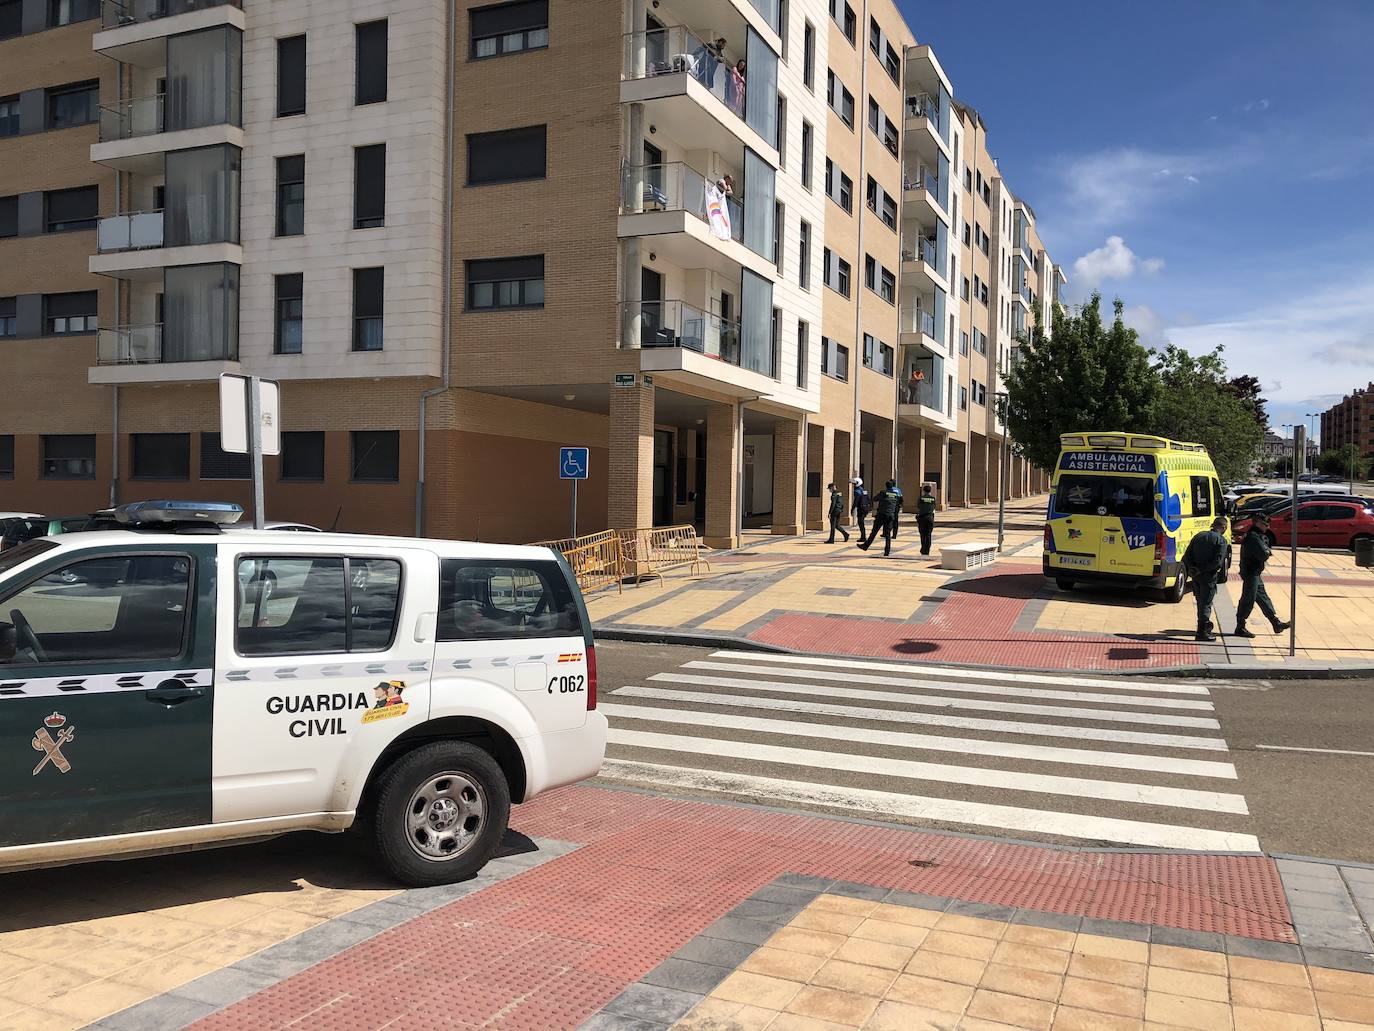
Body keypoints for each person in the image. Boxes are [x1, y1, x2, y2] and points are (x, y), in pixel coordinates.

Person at [1235, 511, 1292, 638]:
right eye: (1265, 525)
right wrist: (1267, 551)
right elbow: (1264, 553)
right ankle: (1240, 627)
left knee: (1262, 597)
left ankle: (1275, 623)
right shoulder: (1254, 536)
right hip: (1251, 572)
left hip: (1254, 572)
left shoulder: (1257, 535)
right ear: (1258, 523)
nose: (1268, 527)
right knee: (1248, 599)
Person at [1181, 516, 1231, 641]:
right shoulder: (1221, 541)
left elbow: (1186, 555)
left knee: (1200, 602)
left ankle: (1202, 627)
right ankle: (1202, 632)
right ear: (1224, 527)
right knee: (1206, 603)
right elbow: (1218, 563)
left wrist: (1192, 568)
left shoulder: (1199, 536)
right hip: (1208, 577)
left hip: (1196, 577)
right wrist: (1201, 569)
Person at [859, 479, 903, 556]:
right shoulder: (895, 494)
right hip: (891, 515)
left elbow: (875, 499)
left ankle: (866, 546)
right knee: (888, 533)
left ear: (886, 486)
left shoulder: (883, 492)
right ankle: (887, 551)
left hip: (882, 514)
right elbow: (900, 501)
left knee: (874, 531)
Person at [917, 482, 938, 556]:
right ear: (930, 491)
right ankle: (927, 550)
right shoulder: (933, 499)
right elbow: (934, 507)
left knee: (922, 534)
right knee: (928, 535)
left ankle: (923, 549)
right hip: (930, 517)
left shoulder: (921, 498)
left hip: (922, 517)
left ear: (923, 491)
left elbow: (919, 507)